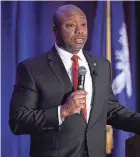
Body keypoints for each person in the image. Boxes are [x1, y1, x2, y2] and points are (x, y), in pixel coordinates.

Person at [9, 4, 140, 157]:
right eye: (71, 25)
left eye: (83, 24)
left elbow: (110, 109)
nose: (80, 30)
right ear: (55, 29)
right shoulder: (32, 68)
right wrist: (62, 111)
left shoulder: (102, 65)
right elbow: (18, 121)